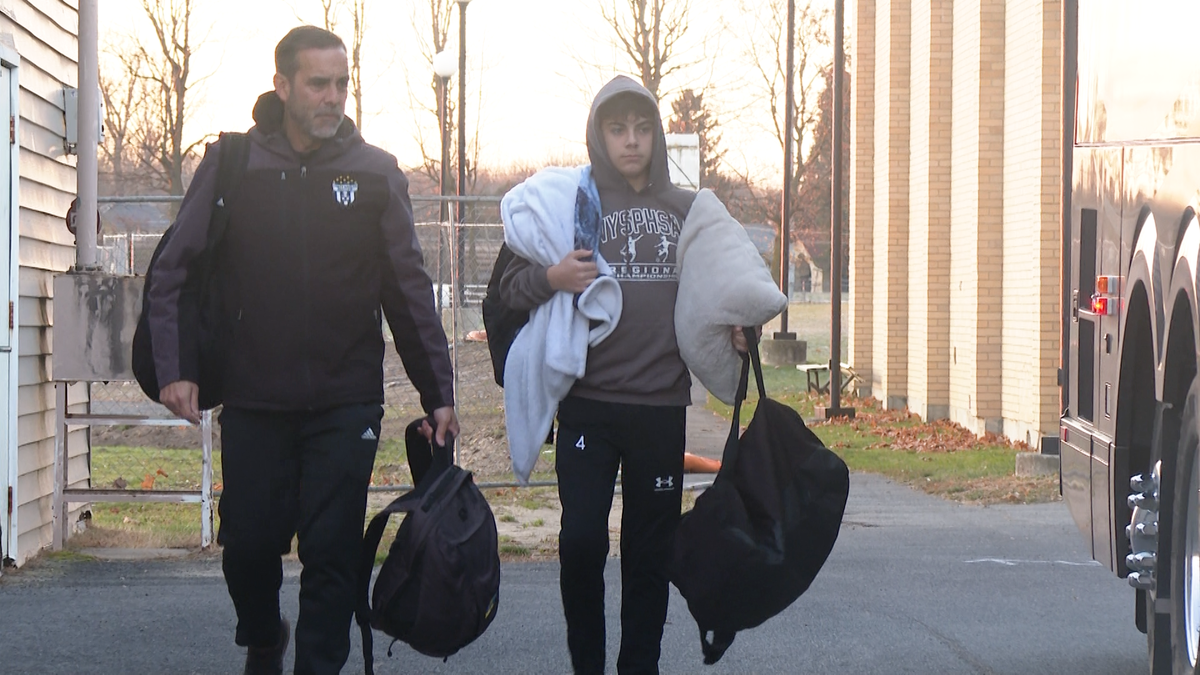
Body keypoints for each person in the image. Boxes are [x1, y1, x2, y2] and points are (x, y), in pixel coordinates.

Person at [147, 26, 457, 675]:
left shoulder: (375, 174)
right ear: (283, 85)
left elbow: (408, 290)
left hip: (347, 401)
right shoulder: (234, 164)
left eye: (341, 84)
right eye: (318, 83)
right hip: (255, 396)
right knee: (248, 546)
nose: (332, 97)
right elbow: (176, 266)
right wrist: (174, 369)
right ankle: (264, 632)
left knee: (333, 552)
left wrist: (439, 394)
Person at [499, 75, 748, 675]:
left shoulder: (688, 211)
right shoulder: (571, 202)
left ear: (657, 136)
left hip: (660, 411)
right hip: (588, 406)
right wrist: (551, 279)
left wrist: (743, 330)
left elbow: (725, 294)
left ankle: (640, 666)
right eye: (618, 129)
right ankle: (587, 664)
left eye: (642, 129)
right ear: (598, 135)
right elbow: (507, 291)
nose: (631, 141)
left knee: (648, 555)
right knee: (580, 541)